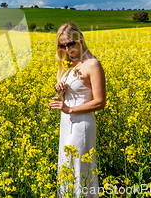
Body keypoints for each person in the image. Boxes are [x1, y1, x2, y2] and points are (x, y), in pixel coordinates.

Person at [49, 22, 106, 198]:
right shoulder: (70, 64)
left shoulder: (92, 64)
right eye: (62, 45)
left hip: (81, 125)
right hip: (67, 124)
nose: (67, 48)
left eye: (71, 43)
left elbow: (100, 102)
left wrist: (70, 109)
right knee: (67, 169)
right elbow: (66, 100)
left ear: (79, 39)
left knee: (79, 170)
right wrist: (61, 92)